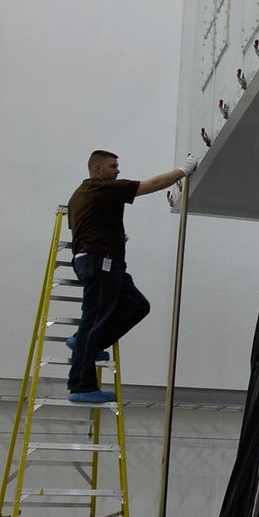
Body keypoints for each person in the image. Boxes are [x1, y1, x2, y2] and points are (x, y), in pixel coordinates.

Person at [66, 149, 196, 404]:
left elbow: (87, 226)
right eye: (113, 166)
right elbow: (152, 184)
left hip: (105, 261)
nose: (118, 170)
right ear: (98, 169)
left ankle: (86, 342)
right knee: (93, 320)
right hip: (100, 262)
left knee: (138, 306)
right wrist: (184, 170)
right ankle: (80, 385)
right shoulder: (103, 188)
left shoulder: (80, 195)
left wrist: (113, 238)